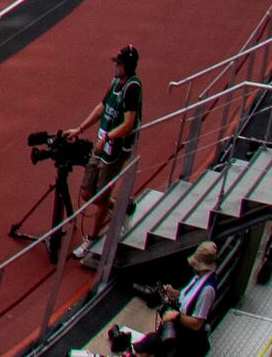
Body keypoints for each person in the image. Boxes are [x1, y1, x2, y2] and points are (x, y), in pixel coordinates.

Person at [77, 45, 145, 247]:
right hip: (102, 145)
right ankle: (123, 206)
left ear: (128, 66)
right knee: (88, 193)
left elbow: (129, 123)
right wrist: (80, 128)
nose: (116, 67)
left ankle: (92, 238)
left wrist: (107, 139)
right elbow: (102, 106)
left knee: (103, 194)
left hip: (115, 149)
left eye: (119, 64)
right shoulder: (116, 81)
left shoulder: (132, 88)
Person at [129, 240, 221, 354]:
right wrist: (175, 293)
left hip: (189, 338)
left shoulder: (208, 290)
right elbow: (190, 297)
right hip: (180, 326)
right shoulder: (199, 277)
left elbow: (197, 324)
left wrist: (176, 316)